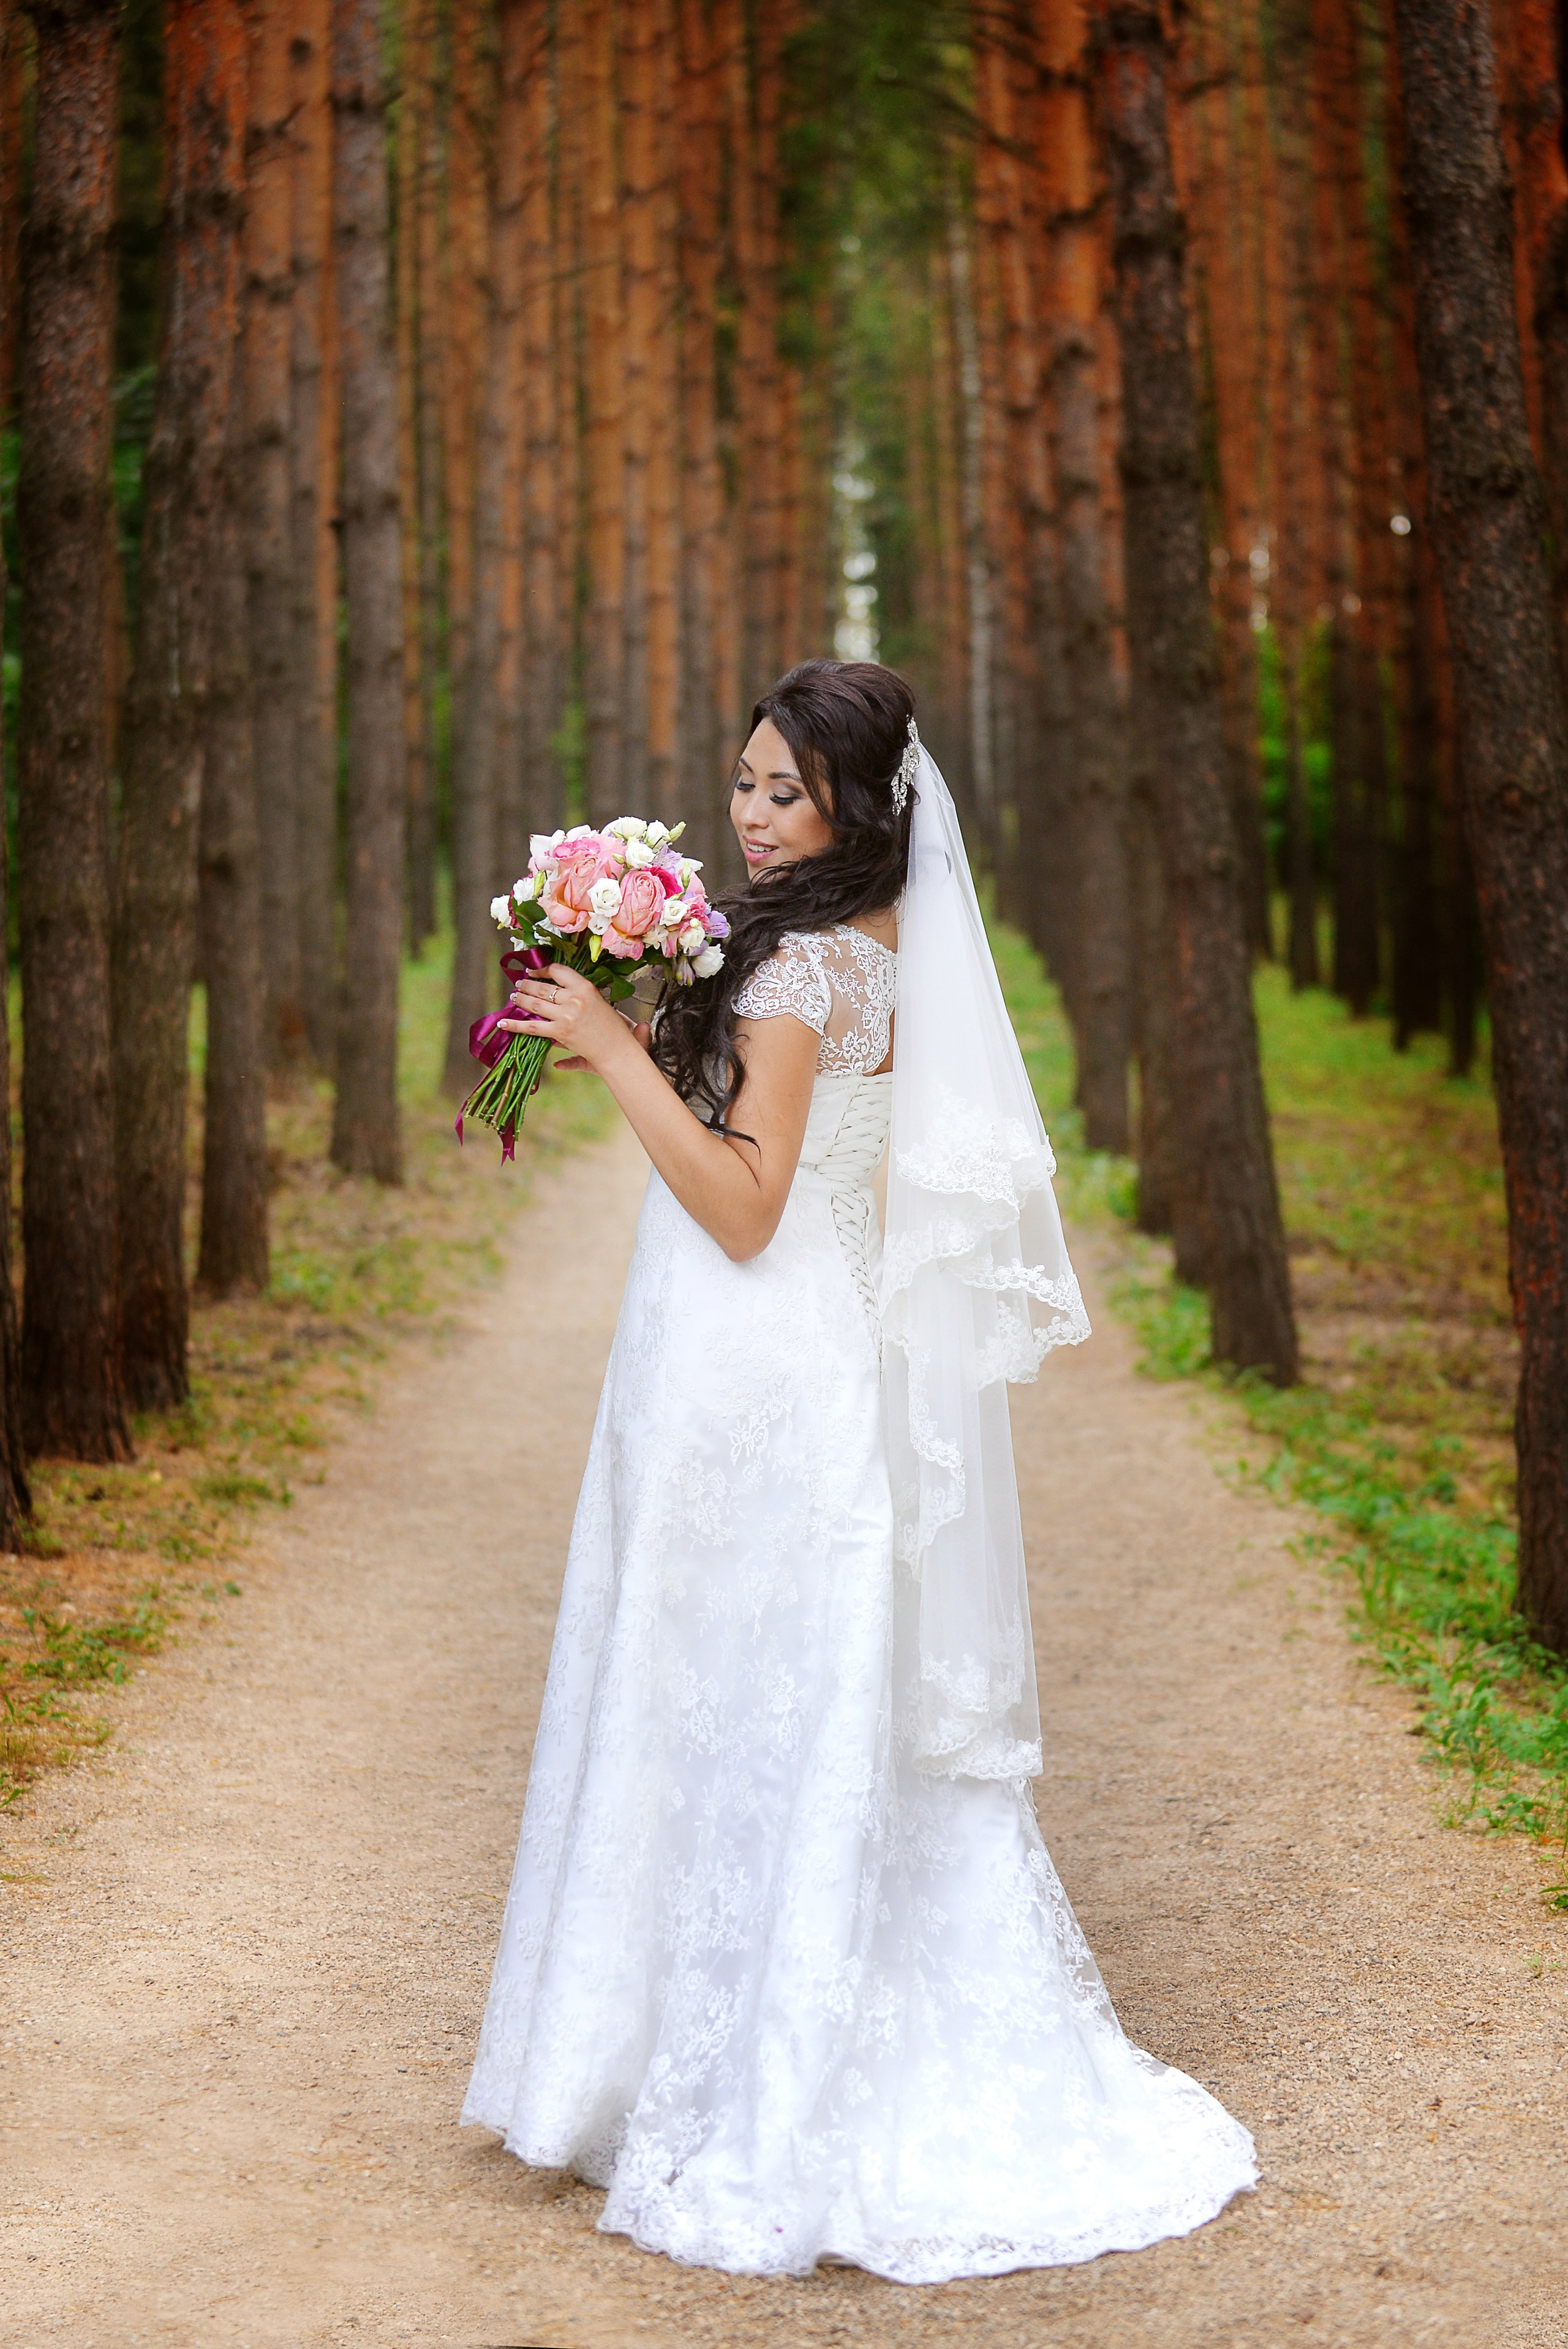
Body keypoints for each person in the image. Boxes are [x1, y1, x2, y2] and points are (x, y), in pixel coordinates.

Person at [462, 659, 1256, 2281]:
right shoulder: (881, 947)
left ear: (856, 804)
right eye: (744, 782)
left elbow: (746, 1202)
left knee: (722, 1684)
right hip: (806, 1350)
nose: (751, 814)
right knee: (781, 1691)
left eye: (784, 791)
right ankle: (705, 2025)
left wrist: (614, 1047)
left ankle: (721, 2067)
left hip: (754, 1352)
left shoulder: (800, 968)